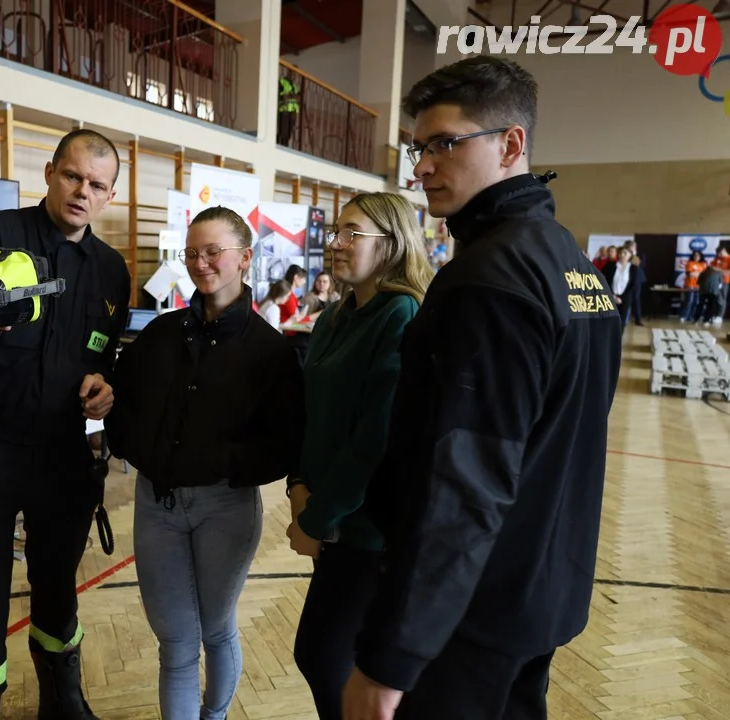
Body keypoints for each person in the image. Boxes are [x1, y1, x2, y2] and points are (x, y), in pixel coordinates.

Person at [341, 57, 622, 720]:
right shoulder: (571, 264)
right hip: (543, 593)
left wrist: (393, 658)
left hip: (470, 614)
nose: (422, 167)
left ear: (510, 144)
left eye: (443, 144)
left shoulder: (488, 280)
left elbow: (467, 483)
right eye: (419, 148)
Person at [0, 129, 131, 720]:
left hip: (65, 452)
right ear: (49, 172)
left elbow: (105, 358)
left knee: (57, 580)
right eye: (72, 176)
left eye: (96, 184)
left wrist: (105, 392)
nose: (81, 192)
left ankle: (62, 701)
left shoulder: (112, 270)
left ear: (110, 195)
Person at [105, 206, 304, 720]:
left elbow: (283, 441)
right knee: (174, 643)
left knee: (215, 629)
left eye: (213, 251)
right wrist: (131, 441)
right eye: (192, 252)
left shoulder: (269, 351)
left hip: (224, 508)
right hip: (156, 507)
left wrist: (223, 464)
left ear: (243, 257)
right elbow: (121, 401)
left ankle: (213, 715)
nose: (201, 262)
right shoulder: (161, 335)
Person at [288, 192, 434, 720]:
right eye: (336, 233)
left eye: (352, 234)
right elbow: (311, 416)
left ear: (391, 245)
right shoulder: (335, 316)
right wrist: (298, 486)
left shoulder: (402, 313)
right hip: (329, 516)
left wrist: (317, 515)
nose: (335, 244)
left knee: (326, 658)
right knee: (326, 658)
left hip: (369, 531)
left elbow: (375, 438)